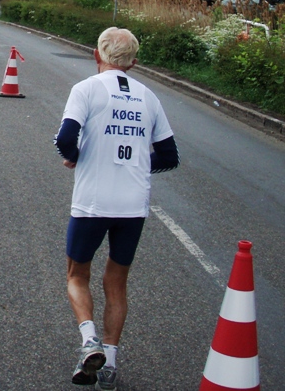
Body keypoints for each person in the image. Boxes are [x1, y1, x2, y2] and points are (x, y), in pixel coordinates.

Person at [54, 27, 179, 388]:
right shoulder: (149, 97)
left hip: (93, 201)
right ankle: (109, 362)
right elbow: (170, 157)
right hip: (133, 205)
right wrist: (139, 164)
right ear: (134, 63)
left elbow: (64, 139)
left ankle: (89, 339)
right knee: (117, 283)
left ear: (97, 55)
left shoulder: (87, 89)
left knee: (77, 275)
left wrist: (79, 158)